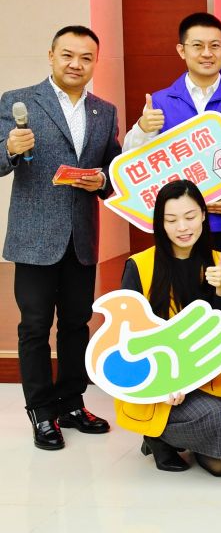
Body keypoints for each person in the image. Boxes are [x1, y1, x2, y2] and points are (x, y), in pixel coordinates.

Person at [122, 12, 221, 414]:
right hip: (181, 231)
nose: (207, 53)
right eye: (197, 45)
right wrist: (142, 129)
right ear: (181, 50)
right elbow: (132, 162)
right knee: (183, 305)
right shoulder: (160, 102)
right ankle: (179, 383)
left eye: (215, 45)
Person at [0, 25, 121, 450]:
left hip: (81, 237)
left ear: (95, 63)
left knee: (75, 324)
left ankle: (71, 402)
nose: (76, 64)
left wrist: (102, 180)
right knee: (35, 327)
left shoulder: (104, 111)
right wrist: (10, 149)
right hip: (34, 236)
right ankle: (40, 411)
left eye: (86, 57)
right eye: (68, 55)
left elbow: (115, 170)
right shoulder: (19, 101)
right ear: (51, 55)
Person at [117, 180, 221, 476]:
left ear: (203, 214)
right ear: (159, 223)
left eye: (190, 217)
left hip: (209, 380)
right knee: (219, 428)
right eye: (171, 220)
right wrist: (161, 383)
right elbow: (126, 341)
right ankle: (157, 437)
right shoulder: (140, 266)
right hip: (161, 384)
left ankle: (168, 434)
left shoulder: (218, 262)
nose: (182, 227)